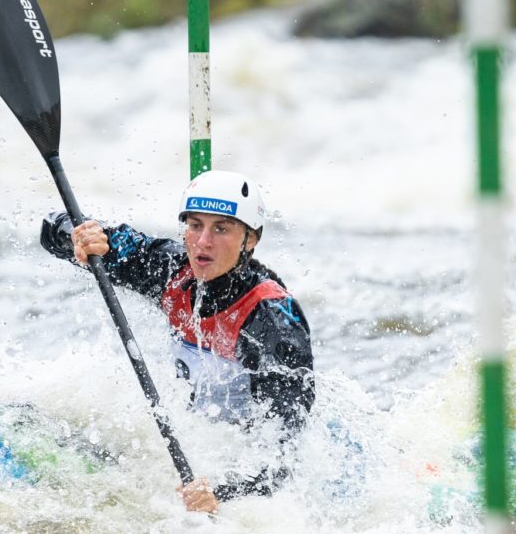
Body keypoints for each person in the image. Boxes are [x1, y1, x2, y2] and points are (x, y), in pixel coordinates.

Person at [40, 170, 314, 513]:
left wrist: (224, 492)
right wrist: (77, 238)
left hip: (243, 459)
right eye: (195, 225)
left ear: (251, 239)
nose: (203, 242)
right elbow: (53, 226)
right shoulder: (170, 268)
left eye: (222, 229)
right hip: (200, 434)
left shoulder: (272, 321)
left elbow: (283, 456)